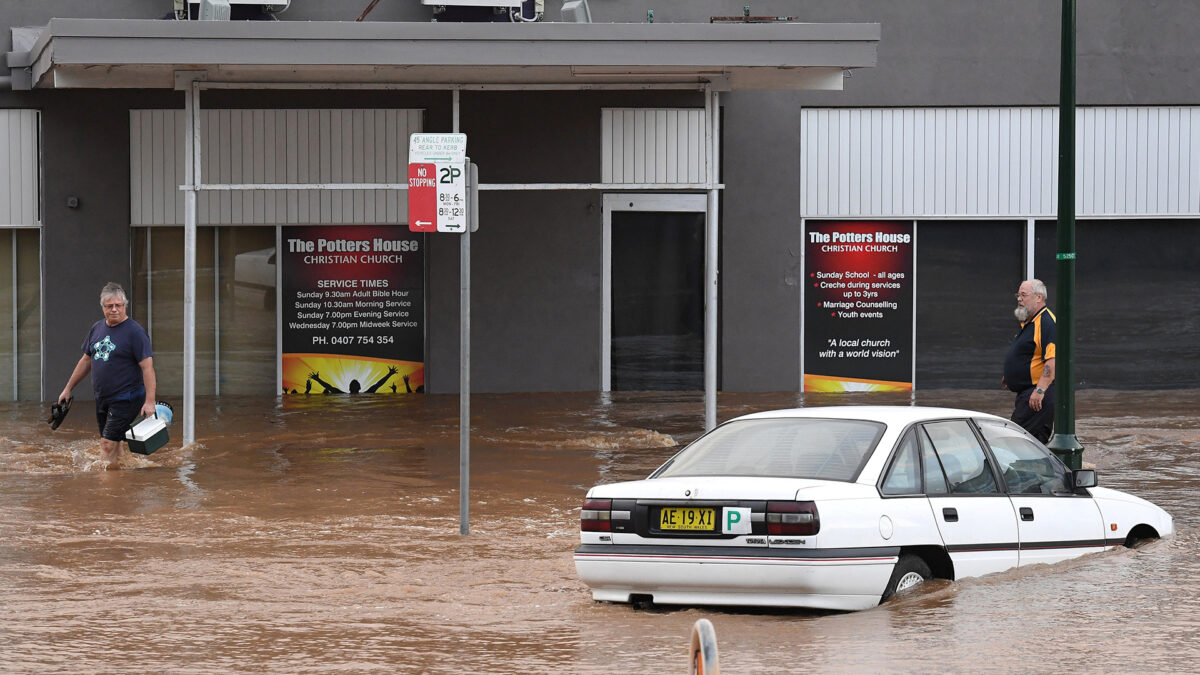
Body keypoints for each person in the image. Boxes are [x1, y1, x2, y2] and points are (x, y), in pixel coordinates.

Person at [58, 282, 157, 469]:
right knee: (115, 444)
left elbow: (147, 368)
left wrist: (150, 401)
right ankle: (121, 483)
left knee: (106, 444)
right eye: (109, 306)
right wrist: (68, 388)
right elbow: (85, 360)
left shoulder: (135, 332)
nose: (114, 310)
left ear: (125, 306)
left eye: (118, 305)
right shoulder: (97, 328)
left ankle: (106, 491)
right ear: (102, 307)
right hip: (103, 398)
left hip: (127, 397)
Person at [1002, 278, 1056, 443]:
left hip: (1036, 397)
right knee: (1023, 443)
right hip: (1027, 394)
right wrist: (1011, 376)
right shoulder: (1030, 321)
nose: (1019, 299)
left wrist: (1039, 391)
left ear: (1038, 297)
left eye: (1023, 295)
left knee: (1017, 443)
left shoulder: (1047, 322)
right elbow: (1028, 353)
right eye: (1018, 295)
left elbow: (1053, 361)